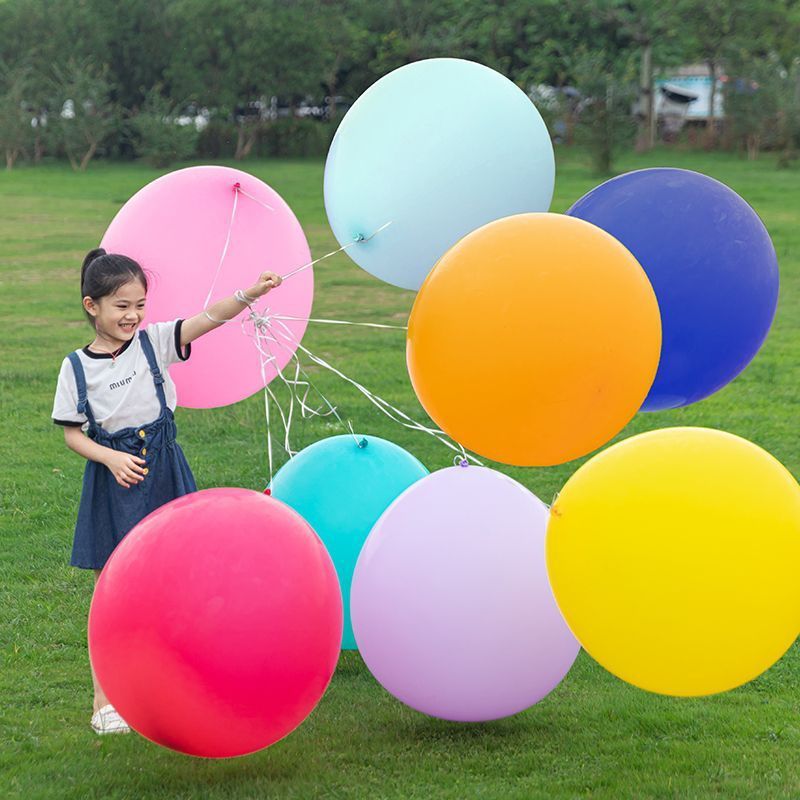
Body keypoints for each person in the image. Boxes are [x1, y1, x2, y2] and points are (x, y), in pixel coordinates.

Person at [51, 248, 282, 734]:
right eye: (121, 306)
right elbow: (73, 434)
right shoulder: (75, 368)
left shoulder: (153, 343)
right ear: (92, 306)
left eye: (139, 305)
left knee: (182, 579)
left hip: (165, 472)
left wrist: (250, 293)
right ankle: (104, 702)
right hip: (115, 481)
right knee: (112, 588)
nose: (132, 315)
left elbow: (208, 319)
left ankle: (185, 681)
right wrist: (110, 457)